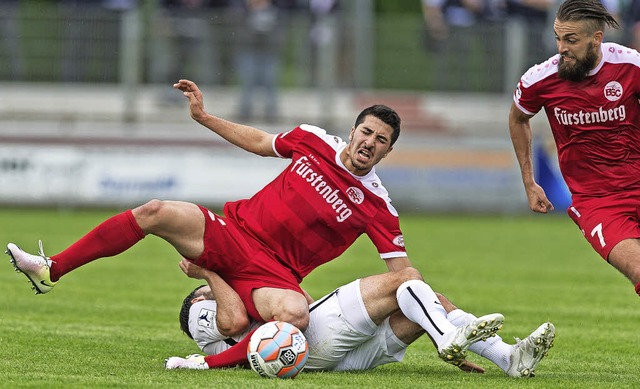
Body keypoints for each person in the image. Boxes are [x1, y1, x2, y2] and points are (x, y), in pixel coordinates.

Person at [6, 78, 497, 368]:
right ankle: (52, 269)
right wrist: (204, 117)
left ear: (389, 150)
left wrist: (426, 304)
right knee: (154, 211)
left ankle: (208, 364)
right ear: (352, 130)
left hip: (275, 275)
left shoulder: (378, 203)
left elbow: (403, 274)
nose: (369, 141)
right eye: (366, 131)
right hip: (231, 233)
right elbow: (261, 142)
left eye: (381, 139)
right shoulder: (312, 140)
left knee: (296, 316)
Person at [165, 260, 555, 377]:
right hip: (314, 344)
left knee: (424, 301)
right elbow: (233, 324)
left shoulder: (250, 301)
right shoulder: (198, 310)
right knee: (405, 279)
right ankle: (447, 338)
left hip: (340, 357)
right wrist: (208, 275)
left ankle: (507, 358)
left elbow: (301, 302)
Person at [508, 0, 640, 296]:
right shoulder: (540, 79)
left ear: (596, 38)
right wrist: (529, 182)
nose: (561, 48)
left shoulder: (630, 66)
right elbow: (518, 118)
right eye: (558, 38)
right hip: (597, 202)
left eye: (571, 39)